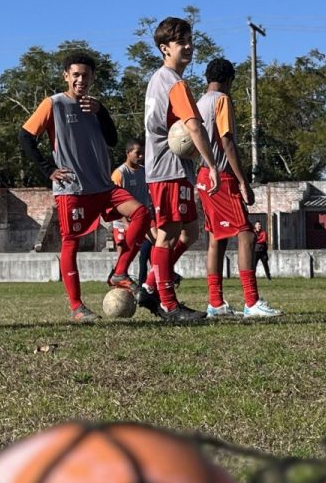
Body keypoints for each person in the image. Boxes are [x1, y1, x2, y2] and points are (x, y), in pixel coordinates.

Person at [18, 54, 149, 321]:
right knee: (71, 243)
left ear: (92, 78)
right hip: (73, 188)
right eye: (75, 74)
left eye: (85, 75)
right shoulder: (53, 104)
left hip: (103, 185)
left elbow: (112, 140)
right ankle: (77, 307)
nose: (80, 80)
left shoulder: (94, 107)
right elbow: (25, 137)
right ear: (66, 76)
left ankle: (119, 272)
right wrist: (48, 170)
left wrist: (102, 112)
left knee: (142, 214)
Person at [142, 17, 222, 324]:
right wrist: (211, 165)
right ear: (165, 48)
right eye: (180, 42)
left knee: (189, 230)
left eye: (189, 40)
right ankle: (169, 305)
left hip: (171, 169)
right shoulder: (174, 83)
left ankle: (151, 285)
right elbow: (193, 127)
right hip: (168, 169)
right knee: (167, 235)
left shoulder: (157, 79)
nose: (187, 46)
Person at [195, 58, 281, 318]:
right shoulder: (221, 100)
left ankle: (215, 303)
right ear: (229, 80)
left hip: (202, 176)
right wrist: (243, 181)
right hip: (221, 175)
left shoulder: (199, 103)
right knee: (246, 235)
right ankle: (252, 302)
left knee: (216, 240)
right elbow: (227, 142)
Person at [108, 139, 158, 306]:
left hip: (144, 218)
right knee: (123, 257)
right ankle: (119, 296)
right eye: (138, 153)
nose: (141, 156)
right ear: (128, 153)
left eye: (142, 153)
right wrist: (125, 221)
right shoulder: (119, 173)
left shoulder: (145, 172)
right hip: (123, 222)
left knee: (160, 242)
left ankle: (155, 281)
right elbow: (114, 201)